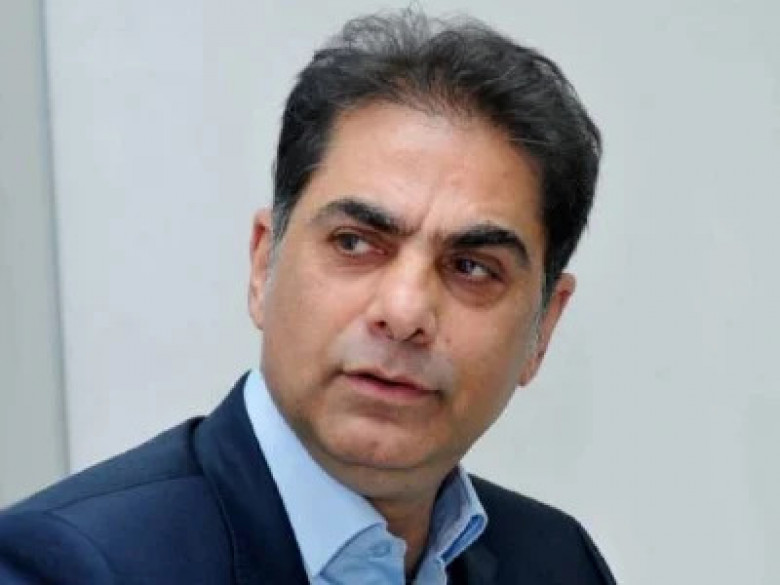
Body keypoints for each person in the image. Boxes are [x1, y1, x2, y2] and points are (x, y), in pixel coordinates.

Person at [0, 9, 615, 585]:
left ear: (543, 329)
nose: (404, 313)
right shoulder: (71, 567)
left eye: (472, 267)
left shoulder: (557, 562)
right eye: (355, 243)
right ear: (262, 265)